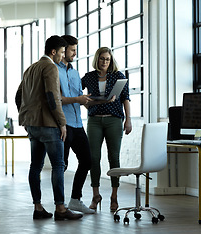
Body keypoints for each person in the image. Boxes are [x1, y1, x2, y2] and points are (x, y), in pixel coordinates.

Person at [15, 35, 83, 221]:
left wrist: (26, 117)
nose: (62, 56)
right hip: (48, 125)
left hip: (32, 126)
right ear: (53, 52)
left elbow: (18, 95)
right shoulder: (50, 67)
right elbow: (53, 98)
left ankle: (38, 207)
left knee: (35, 166)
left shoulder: (30, 68)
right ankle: (60, 208)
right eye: (61, 52)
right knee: (58, 165)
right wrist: (62, 123)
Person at [82, 47, 132, 212]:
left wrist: (128, 120)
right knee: (93, 158)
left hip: (114, 120)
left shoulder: (118, 76)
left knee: (114, 158)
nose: (104, 62)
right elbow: (77, 93)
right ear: (97, 59)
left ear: (111, 61)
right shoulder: (89, 77)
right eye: (102, 59)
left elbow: (125, 98)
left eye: (107, 59)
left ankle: (114, 196)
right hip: (94, 121)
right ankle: (96, 195)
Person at [55, 35, 94, 214]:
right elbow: (56, 99)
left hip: (78, 124)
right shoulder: (54, 70)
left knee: (87, 160)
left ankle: (75, 200)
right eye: (72, 50)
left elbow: (81, 99)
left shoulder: (75, 72)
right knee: (62, 165)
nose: (75, 53)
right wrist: (77, 99)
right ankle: (60, 205)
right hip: (63, 124)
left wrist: (101, 101)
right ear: (63, 51)